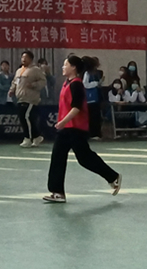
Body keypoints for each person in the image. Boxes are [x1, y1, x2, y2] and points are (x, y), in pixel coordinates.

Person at [43, 55, 121, 203]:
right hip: (66, 128)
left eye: (65, 64)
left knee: (84, 158)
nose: (63, 67)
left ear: (73, 67)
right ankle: (57, 192)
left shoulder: (77, 85)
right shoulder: (67, 83)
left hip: (75, 128)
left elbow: (77, 107)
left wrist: (62, 121)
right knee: (58, 157)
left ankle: (113, 176)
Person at [10, 50, 47, 147]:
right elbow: (14, 82)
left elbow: (43, 81)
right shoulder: (19, 71)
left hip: (30, 99)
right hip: (20, 98)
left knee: (26, 117)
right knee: (24, 118)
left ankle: (28, 138)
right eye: (22, 57)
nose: (23, 59)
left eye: (25, 57)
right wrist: (12, 90)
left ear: (31, 59)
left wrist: (33, 85)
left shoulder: (35, 70)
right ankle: (37, 136)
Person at [82, 56, 103, 138]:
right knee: (91, 115)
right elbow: (85, 84)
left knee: (96, 115)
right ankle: (92, 133)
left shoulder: (97, 73)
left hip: (95, 96)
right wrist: (95, 83)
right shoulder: (87, 73)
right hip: (90, 97)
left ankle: (97, 133)